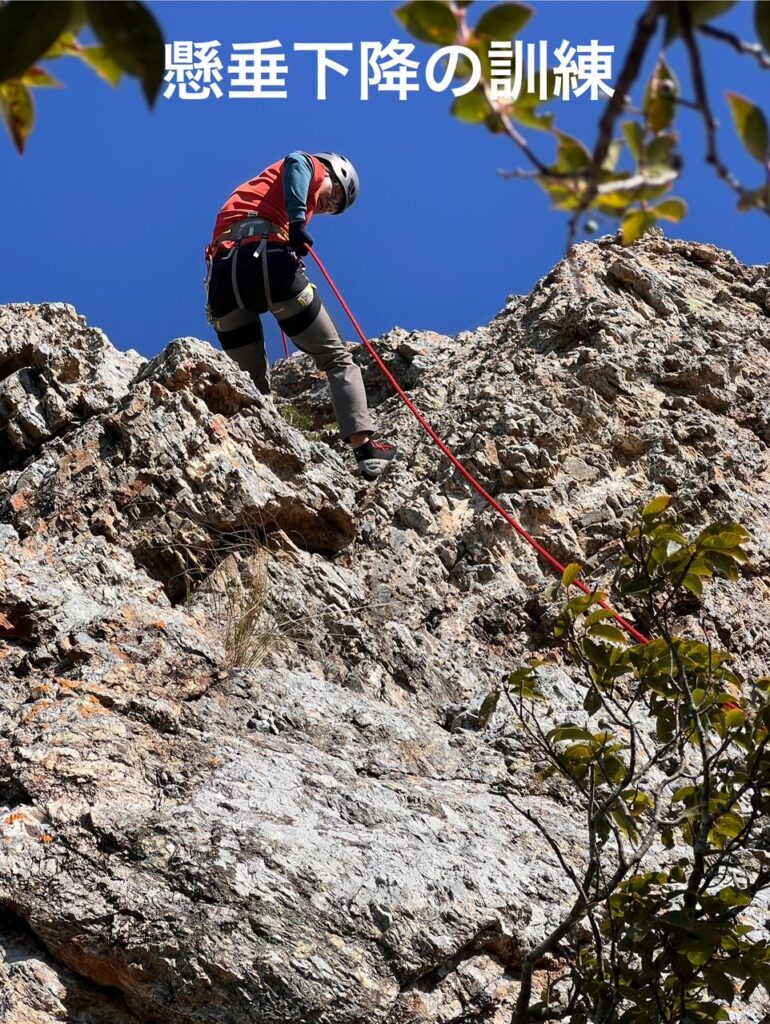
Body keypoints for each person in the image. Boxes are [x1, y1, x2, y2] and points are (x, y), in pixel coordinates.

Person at [205, 151, 397, 480]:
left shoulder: (255, 191)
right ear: (330, 173)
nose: (329, 205)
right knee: (336, 357)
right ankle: (365, 450)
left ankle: (255, 456)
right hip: (268, 261)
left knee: (250, 385)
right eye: (336, 195)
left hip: (222, 279)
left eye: (335, 208)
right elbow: (297, 161)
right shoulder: (312, 166)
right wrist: (296, 221)